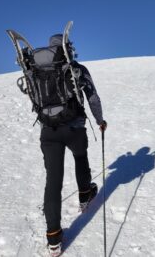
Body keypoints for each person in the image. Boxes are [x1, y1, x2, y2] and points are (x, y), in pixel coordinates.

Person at [40, 34, 107, 254]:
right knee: (80, 158)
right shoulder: (78, 69)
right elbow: (93, 97)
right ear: (68, 48)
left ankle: (53, 238)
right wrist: (99, 120)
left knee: (53, 181)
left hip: (49, 130)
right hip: (74, 127)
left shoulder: (39, 71)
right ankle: (85, 196)